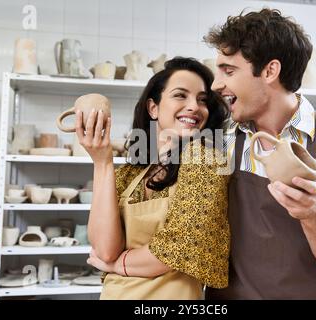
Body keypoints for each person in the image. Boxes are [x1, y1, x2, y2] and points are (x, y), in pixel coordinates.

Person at [203, 9, 316, 299]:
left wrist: (313, 214)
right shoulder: (218, 142)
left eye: (229, 70)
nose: (216, 84)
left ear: (270, 71)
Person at [76, 57, 230, 300]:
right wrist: (102, 162)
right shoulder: (131, 172)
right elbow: (104, 251)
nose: (194, 106)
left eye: (202, 100)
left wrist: (118, 266)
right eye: (181, 95)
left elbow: (180, 246)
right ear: (153, 108)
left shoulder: (206, 159)